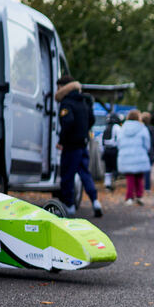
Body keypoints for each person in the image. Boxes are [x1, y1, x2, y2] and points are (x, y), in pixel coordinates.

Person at [55, 75, 103, 217]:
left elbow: (67, 122)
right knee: (85, 174)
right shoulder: (84, 100)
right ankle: (95, 201)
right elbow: (92, 119)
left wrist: (61, 140)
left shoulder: (67, 102)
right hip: (83, 143)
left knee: (67, 175)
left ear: (63, 86)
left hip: (71, 146)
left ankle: (69, 206)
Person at [117, 109, 152, 205]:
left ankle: (129, 197)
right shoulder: (142, 128)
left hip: (126, 156)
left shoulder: (123, 128)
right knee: (139, 177)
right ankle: (139, 196)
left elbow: (119, 142)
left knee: (130, 178)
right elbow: (147, 143)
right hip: (139, 155)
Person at [100, 114, 121, 191]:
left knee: (107, 168)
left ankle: (107, 184)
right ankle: (114, 183)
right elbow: (119, 139)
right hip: (114, 150)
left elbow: (101, 141)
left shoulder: (106, 127)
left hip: (106, 150)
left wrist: (102, 150)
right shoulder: (117, 127)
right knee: (115, 167)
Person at [140, 111, 154, 192]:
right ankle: (147, 187)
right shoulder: (152, 129)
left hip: (140, 151)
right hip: (149, 151)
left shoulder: (139, 128)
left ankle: (139, 187)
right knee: (147, 169)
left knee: (139, 169)